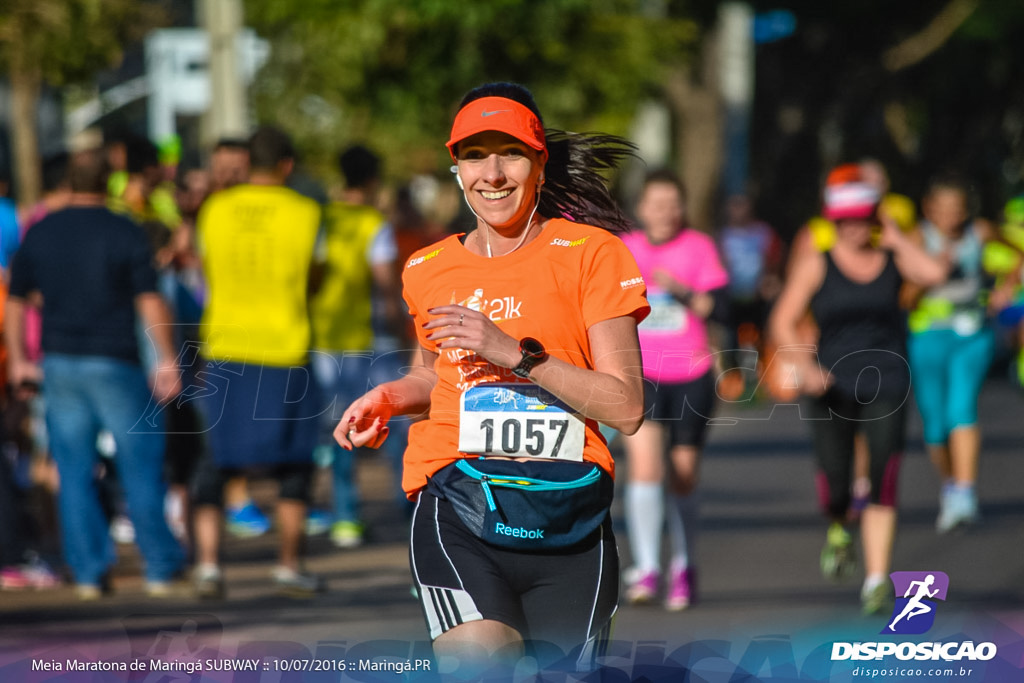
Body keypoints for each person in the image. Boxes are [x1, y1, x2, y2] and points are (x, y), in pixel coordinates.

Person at [333, 82, 648, 674]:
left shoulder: (591, 254)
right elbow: (434, 377)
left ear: (538, 161)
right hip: (456, 496)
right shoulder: (427, 268)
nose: (494, 174)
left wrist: (515, 354)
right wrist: (389, 397)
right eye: (475, 155)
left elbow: (626, 406)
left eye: (511, 153)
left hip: (568, 507)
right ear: (456, 168)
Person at [4, 150, 185, 600]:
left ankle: (87, 571)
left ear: (68, 182)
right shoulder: (123, 230)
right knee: (140, 466)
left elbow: (16, 299)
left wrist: (20, 358)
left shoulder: (41, 231)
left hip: (61, 362)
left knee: (73, 470)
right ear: (109, 184)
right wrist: (166, 357)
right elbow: (149, 299)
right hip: (117, 361)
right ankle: (159, 568)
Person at [769, 166, 948, 615]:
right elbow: (782, 320)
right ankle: (838, 526)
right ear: (832, 220)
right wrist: (803, 365)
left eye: (862, 217)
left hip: (887, 377)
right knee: (837, 486)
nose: (852, 227)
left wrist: (898, 238)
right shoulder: (817, 263)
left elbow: (934, 276)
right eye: (843, 219)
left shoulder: (893, 258)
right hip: (830, 383)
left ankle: (875, 580)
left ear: (875, 217)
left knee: (885, 476)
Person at [191, 125, 324, 598]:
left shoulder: (214, 209)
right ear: (287, 165)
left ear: (247, 163)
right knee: (295, 465)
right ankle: (289, 565)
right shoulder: (307, 212)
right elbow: (315, 276)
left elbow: (205, 269)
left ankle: (208, 566)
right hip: (286, 348)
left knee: (215, 462)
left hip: (225, 346)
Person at [619, 170, 730, 611]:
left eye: (672, 203)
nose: (664, 212)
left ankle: (684, 565)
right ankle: (647, 568)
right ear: (641, 208)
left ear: (682, 208)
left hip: (691, 373)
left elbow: (721, 307)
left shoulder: (698, 247)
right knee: (644, 469)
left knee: (683, 475)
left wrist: (681, 290)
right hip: (640, 374)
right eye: (656, 203)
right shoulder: (625, 249)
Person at [904, 172, 1018, 533]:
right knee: (935, 425)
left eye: (958, 209)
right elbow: (903, 298)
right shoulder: (917, 238)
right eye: (943, 210)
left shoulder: (980, 233)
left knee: (962, 408)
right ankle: (951, 484)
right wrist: (931, 274)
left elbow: (1018, 257)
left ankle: (965, 492)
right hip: (927, 336)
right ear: (929, 209)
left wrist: (1005, 290)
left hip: (972, 333)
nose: (951, 217)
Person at [308, 144, 403, 547]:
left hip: (324, 336)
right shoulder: (372, 223)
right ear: (371, 180)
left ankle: (346, 516)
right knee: (395, 422)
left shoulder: (320, 219)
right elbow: (385, 285)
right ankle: (410, 503)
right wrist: (402, 328)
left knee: (342, 427)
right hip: (370, 338)